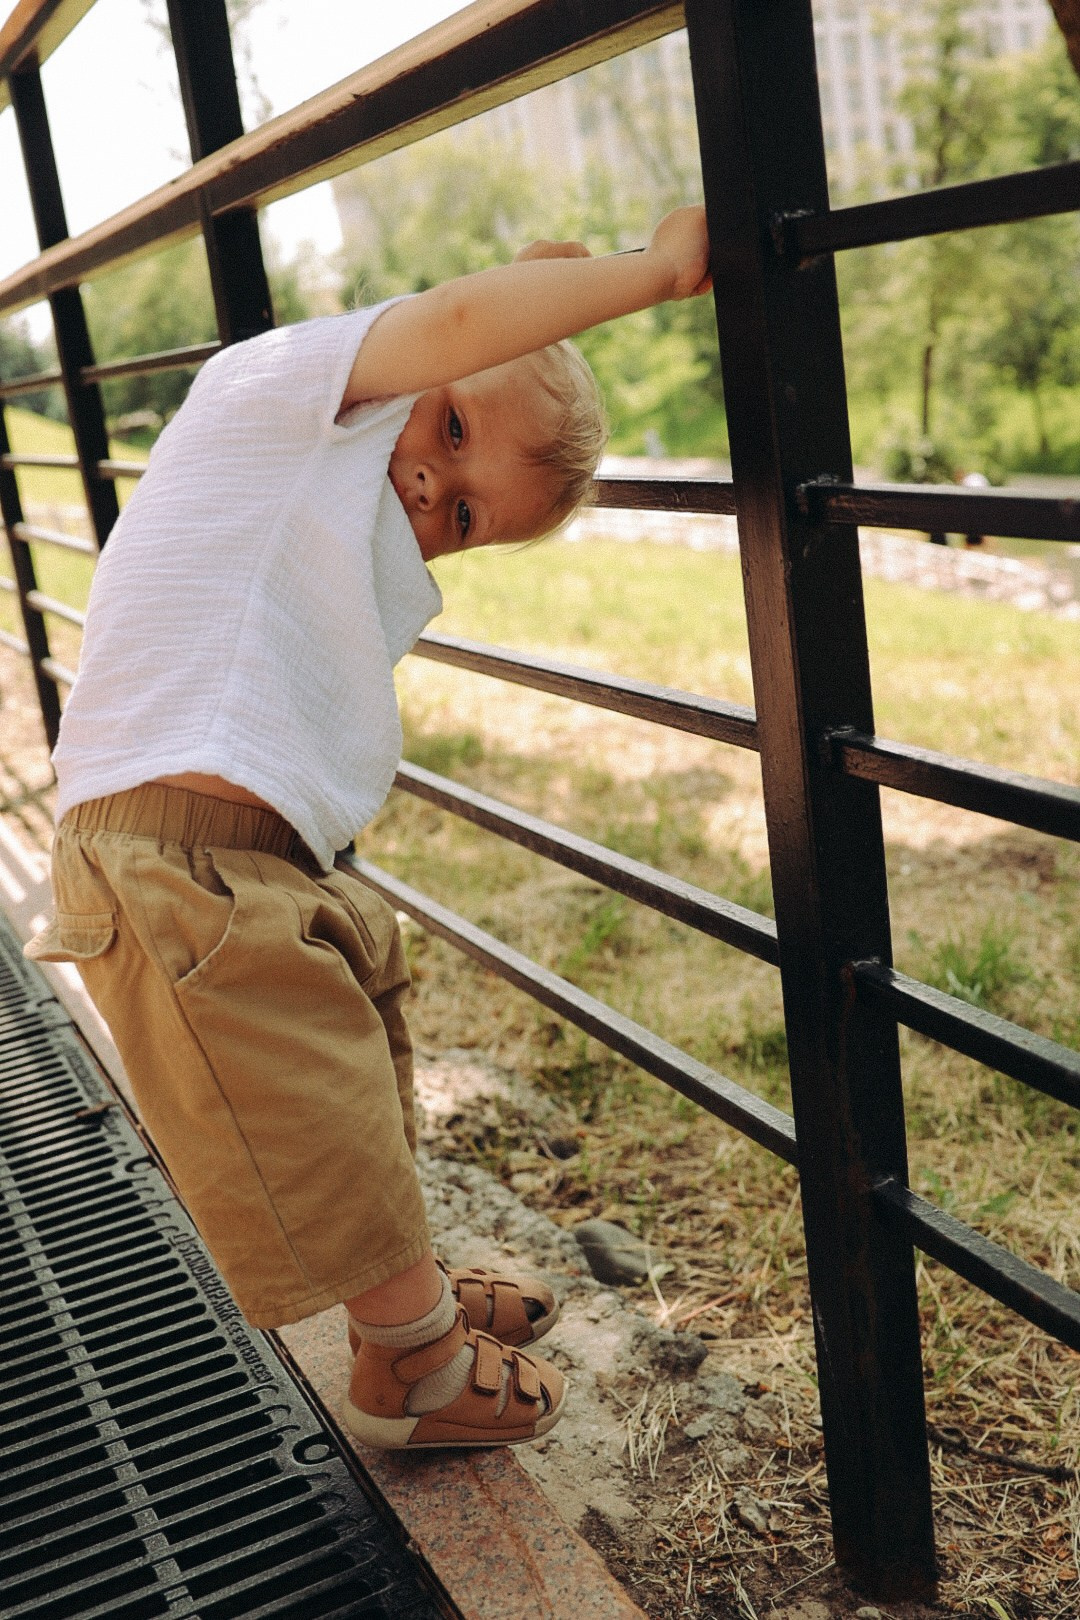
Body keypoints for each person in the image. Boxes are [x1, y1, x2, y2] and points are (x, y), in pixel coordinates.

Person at [25, 206, 712, 1449]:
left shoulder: (355, 500)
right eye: (450, 428)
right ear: (424, 352)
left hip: (257, 862)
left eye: (462, 516)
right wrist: (653, 274)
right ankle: (413, 1368)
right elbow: (458, 322)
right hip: (170, 862)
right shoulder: (290, 388)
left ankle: (411, 1289)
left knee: (353, 1086)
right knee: (302, 1111)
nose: (430, 484)